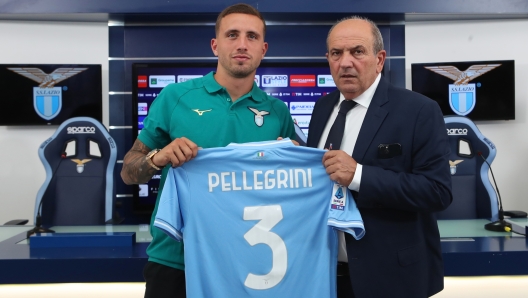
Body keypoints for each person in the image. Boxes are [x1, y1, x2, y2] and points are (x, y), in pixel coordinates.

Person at [121, 4, 295, 298]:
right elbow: (129, 171)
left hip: (249, 261)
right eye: (232, 35)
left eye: (251, 37)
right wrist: (158, 157)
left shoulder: (278, 112)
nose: (242, 44)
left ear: (263, 49)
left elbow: (292, 185)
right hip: (176, 259)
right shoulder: (174, 97)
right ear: (215, 45)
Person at [307, 16, 452, 298]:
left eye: (357, 51)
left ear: (380, 59)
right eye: (336, 53)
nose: (345, 62)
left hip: (392, 278)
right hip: (324, 274)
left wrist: (359, 175)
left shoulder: (418, 110)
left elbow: (437, 192)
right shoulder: (322, 108)